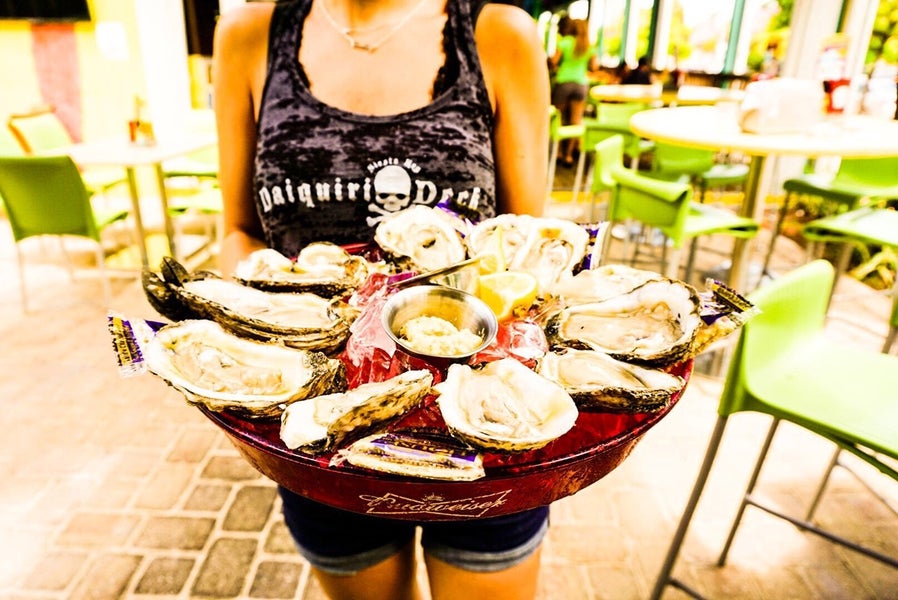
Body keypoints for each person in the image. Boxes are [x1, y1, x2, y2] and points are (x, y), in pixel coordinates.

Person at [211, 1, 550, 599]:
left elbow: (521, 249)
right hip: (328, 432)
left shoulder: (499, 35)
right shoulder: (248, 35)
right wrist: (245, 323)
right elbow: (239, 228)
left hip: (485, 421)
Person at [548, 18, 597, 166]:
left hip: (564, 82)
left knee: (559, 119)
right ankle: (568, 156)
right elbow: (594, 67)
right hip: (581, 84)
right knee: (576, 122)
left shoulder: (565, 42)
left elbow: (553, 62)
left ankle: (557, 153)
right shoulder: (588, 45)